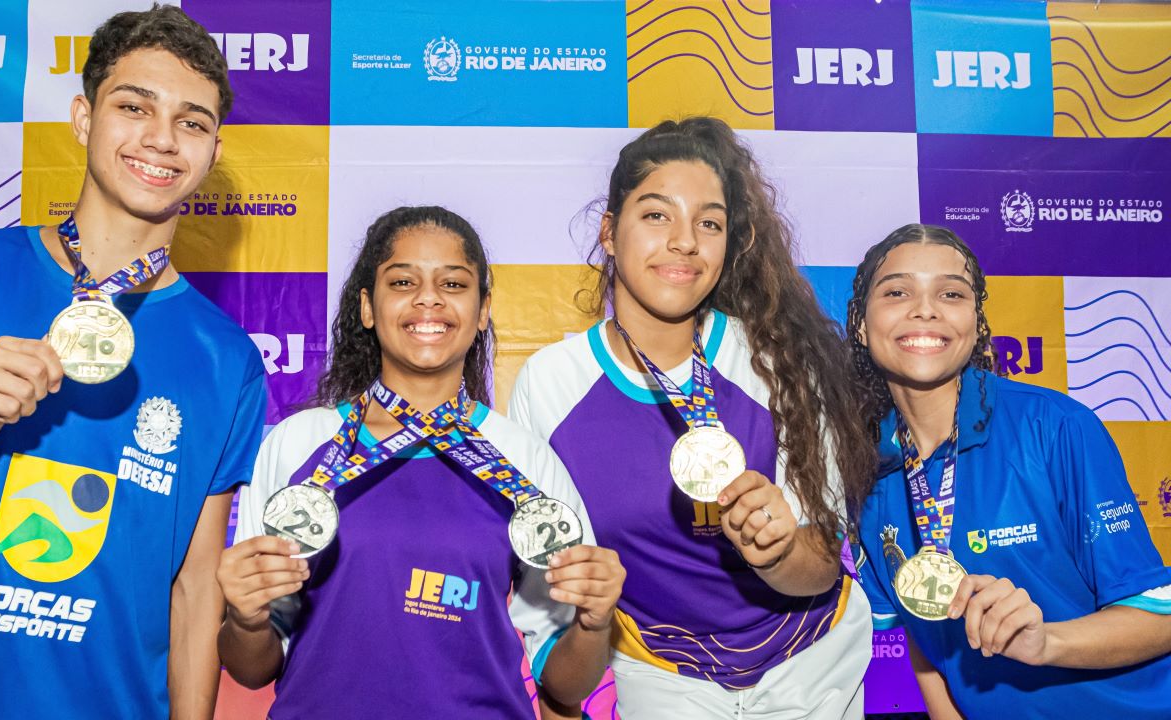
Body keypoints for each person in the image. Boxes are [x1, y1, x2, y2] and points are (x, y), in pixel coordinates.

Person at [0, 6, 264, 719]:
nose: (161, 138)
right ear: (84, 118)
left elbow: (193, 595)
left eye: (191, 122)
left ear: (213, 153)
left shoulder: (228, 360)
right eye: (134, 107)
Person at [510, 117, 876, 718]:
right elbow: (556, 624)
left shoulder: (778, 362)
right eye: (657, 215)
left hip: (810, 671)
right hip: (664, 678)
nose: (685, 241)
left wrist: (780, 551)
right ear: (609, 230)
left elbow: (819, 567)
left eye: (709, 222)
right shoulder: (551, 385)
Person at [218, 205, 625, 719]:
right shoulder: (300, 445)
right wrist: (247, 619)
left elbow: (565, 685)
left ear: (482, 312)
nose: (428, 298)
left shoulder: (524, 460)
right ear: (368, 307)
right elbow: (252, 667)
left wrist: (594, 622)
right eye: (403, 281)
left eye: (453, 284)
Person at [848, 223, 1171, 719]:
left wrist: (1047, 643)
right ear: (861, 324)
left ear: (976, 323)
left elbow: (1159, 618)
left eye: (951, 293)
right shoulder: (866, 469)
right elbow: (923, 632)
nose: (925, 308)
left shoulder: (1055, 427)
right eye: (897, 291)